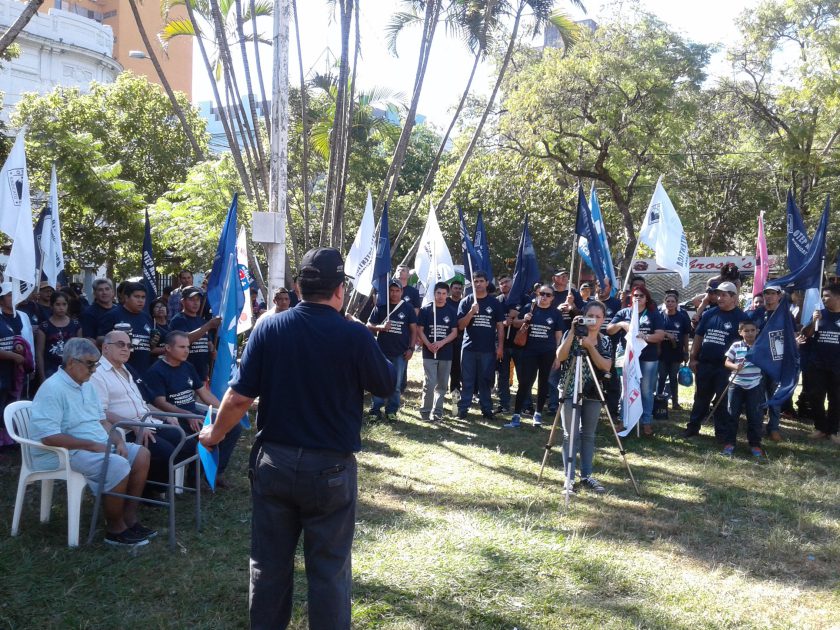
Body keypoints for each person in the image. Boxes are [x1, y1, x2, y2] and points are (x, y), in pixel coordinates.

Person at [197, 246, 395, 630]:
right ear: (340, 290)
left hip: (275, 462)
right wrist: (355, 330)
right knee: (330, 570)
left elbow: (239, 397)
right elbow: (386, 384)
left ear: (298, 286)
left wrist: (213, 435)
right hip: (331, 470)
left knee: (268, 565)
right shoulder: (353, 334)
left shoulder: (270, 327)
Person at [28, 337, 153, 546]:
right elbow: (49, 437)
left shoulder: (86, 385)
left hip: (95, 445)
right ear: (71, 363)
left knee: (141, 454)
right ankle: (115, 529)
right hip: (64, 452)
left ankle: (129, 518)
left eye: (96, 364)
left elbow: (102, 420)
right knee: (118, 464)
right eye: (90, 364)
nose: (94, 369)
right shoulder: (52, 388)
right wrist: (93, 445)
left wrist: (117, 440)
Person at [90, 330, 196, 490]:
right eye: (120, 344)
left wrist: (166, 417)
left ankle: (156, 485)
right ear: (105, 348)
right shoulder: (97, 374)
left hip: (148, 422)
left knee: (188, 444)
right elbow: (102, 412)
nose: (126, 348)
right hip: (126, 430)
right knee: (167, 452)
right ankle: (149, 491)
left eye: (129, 345)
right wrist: (135, 425)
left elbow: (144, 404)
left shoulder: (126, 369)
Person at [141, 331, 240, 484]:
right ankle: (195, 480)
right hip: (174, 418)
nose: (186, 350)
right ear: (167, 348)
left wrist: (224, 410)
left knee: (233, 426)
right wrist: (187, 415)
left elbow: (204, 394)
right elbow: (160, 403)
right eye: (182, 347)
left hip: (194, 414)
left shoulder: (187, 366)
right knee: (201, 436)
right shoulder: (156, 371)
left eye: (188, 346)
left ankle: (216, 473)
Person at [554, 301, 612, 494]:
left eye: (598, 317)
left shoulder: (604, 341)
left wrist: (589, 346)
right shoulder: (570, 334)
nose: (593, 321)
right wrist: (572, 332)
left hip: (593, 390)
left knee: (588, 434)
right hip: (570, 387)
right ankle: (568, 478)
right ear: (583, 316)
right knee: (570, 434)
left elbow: (606, 366)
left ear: (603, 319)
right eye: (590, 316)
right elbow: (561, 357)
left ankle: (586, 475)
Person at [683, 281, 747, 439]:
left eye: (724, 295)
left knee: (722, 400)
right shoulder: (709, 314)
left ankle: (722, 433)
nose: (719, 298)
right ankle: (692, 427)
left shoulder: (741, 318)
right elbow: (699, 336)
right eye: (718, 294)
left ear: (733, 297)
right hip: (705, 364)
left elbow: (745, 343)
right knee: (700, 398)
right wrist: (693, 358)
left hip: (725, 367)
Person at [607, 286, 665, 435]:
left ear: (647, 298)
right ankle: (623, 420)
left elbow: (660, 335)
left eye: (641, 295)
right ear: (631, 298)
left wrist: (645, 337)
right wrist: (621, 324)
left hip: (648, 358)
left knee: (646, 391)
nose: (637, 298)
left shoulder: (653, 314)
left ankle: (646, 422)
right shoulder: (624, 313)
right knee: (626, 389)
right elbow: (609, 329)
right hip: (628, 358)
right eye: (635, 295)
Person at [504, 284, 564, 428]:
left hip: (547, 352)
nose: (544, 297)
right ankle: (516, 416)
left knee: (544, 383)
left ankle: (537, 415)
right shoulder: (529, 308)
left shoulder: (556, 313)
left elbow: (558, 336)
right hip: (528, 352)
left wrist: (557, 356)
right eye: (542, 293)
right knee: (524, 383)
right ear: (537, 294)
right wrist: (524, 319)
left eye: (548, 295)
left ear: (552, 298)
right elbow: (515, 324)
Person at [366, 280, 417, 422]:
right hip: (381, 351)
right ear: (387, 292)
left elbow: (413, 331)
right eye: (391, 290)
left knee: (396, 384)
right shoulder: (381, 307)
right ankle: (375, 410)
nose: (394, 293)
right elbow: (369, 324)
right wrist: (381, 327)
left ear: (402, 292)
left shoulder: (408, 308)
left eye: (397, 291)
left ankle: (392, 410)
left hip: (400, 353)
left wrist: (411, 348)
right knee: (378, 381)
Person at [456, 271, 505, 420]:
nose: (478, 284)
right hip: (469, 347)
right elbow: (460, 326)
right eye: (476, 281)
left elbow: (500, 327)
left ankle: (487, 409)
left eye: (481, 281)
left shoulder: (494, 303)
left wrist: (500, 346)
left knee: (485, 380)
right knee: (467, 380)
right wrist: (471, 312)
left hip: (487, 349)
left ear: (487, 282)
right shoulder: (466, 301)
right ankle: (463, 409)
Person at [800, 284, 840, 443]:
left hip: (837, 366)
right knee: (816, 396)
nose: (823, 299)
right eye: (823, 296)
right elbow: (806, 335)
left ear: (838, 297)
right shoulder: (819, 314)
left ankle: (834, 430)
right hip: (817, 364)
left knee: (836, 399)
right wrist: (813, 322)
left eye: (827, 296)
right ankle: (820, 427)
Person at [722, 320, 765, 458]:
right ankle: (729, 443)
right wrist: (735, 367)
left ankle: (755, 444)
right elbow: (727, 362)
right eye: (746, 331)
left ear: (757, 331)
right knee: (732, 414)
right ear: (740, 332)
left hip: (755, 385)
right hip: (736, 385)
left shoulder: (761, 346)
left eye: (753, 330)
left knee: (755, 416)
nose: (750, 333)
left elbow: (769, 362)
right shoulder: (736, 346)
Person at [417, 282, 458, 422]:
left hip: (446, 353)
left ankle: (437, 411)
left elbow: (454, 332)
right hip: (429, 352)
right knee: (430, 382)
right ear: (434, 294)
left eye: (444, 294)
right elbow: (420, 330)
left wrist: (441, 342)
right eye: (438, 293)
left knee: (442, 384)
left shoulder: (451, 311)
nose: (440, 296)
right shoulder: (426, 310)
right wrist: (428, 344)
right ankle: (425, 411)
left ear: (448, 295)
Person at [97, 282, 154, 375]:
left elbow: (149, 346)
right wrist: (118, 338)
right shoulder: (112, 315)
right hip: (119, 370)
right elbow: (99, 340)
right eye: (137, 296)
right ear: (126, 297)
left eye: (143, 297)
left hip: (143, 370)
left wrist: (153, 342)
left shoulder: (146, 317)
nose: (140, 300)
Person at [169, 286, 221, 384]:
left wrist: (212, 350)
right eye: (191, 299)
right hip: (184, 376)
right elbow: (184, 339)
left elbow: (208, 343)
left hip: (201, 376)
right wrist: (208, 325)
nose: (196, 303)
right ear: (183, 302)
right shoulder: (179, 320)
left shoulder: (201, 321)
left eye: (198, 300)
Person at [35, 290, 82, 383]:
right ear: (51, 306)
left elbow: (80, 350)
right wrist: (42, 376)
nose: (61, 308)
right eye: (58, 304)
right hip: (50, 370)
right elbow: (39, 353)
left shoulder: (76, 325)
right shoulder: (44, 327)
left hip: (71, 369)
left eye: (64, 304)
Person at [657, 291, 691, 410]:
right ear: (664, 302)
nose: (670, 303)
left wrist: (686, 351)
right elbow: (656, 333)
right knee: (661, 377)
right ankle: (658, 401)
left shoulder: (682, 317)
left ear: (677, 303)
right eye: (668, 301)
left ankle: (675, 402)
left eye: (673, 301)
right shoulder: (660, 316)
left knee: (673, 377)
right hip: (662, 352)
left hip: (676, 353)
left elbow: (686, 335)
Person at [495, 274, 516, 413]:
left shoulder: (522, 298)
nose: (504, 285)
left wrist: (516, 316)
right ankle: (504, 404)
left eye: (507, 282)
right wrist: (504, 322)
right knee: (503, 375)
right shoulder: (496, 301)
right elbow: (493, 322)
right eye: (501, 283)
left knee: (523, 375)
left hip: (521, 343)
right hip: (503, 343)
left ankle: (526, 405)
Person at [448, 279, 465, 401]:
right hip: (446, 339)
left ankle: (455, 391)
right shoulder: (445, 301)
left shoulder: (464, 303)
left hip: (460, 339)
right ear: (451, 289)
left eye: (460, 288)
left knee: (457, 367)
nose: (458, 290)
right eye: (455, 288)